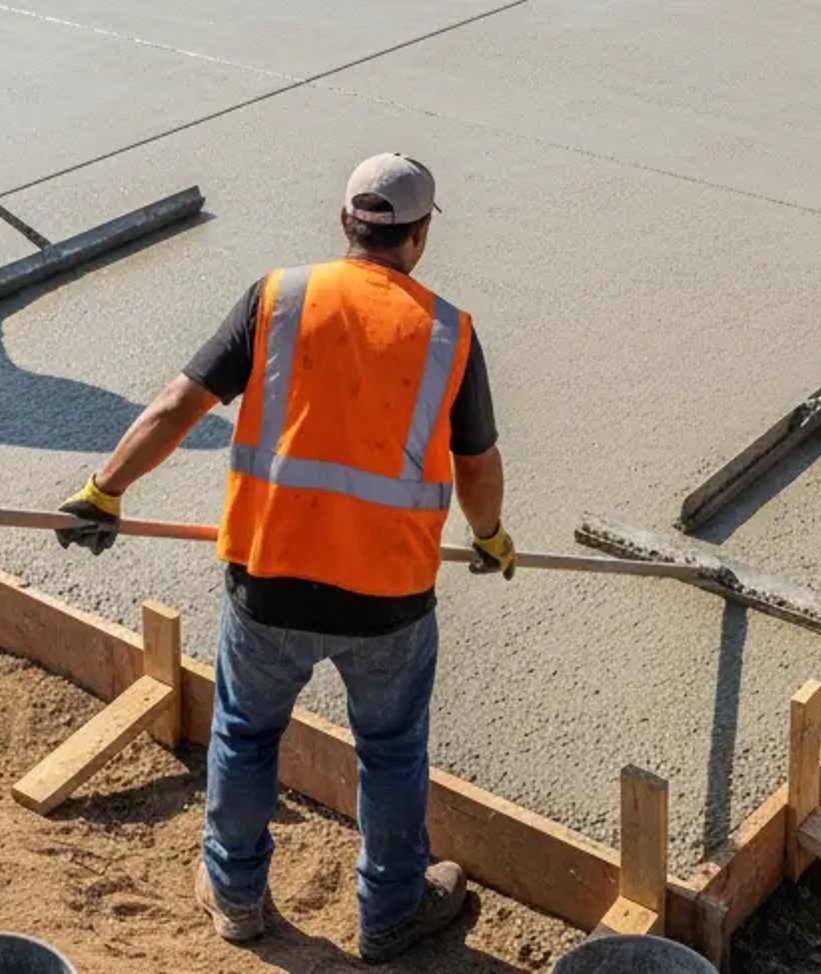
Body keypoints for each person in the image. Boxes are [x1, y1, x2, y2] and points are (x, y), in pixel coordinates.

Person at [54, 153, 515, 962]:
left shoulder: (280, 298)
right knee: (393, 749)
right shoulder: (447, 330)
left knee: (245, 734)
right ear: (422, 235)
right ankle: (391, 911)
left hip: (269, 585)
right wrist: (488, 534)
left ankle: (233, 898)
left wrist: (104, 490)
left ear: (346, 223)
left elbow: (177, 406)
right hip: (389, 600)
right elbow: (475, 465)